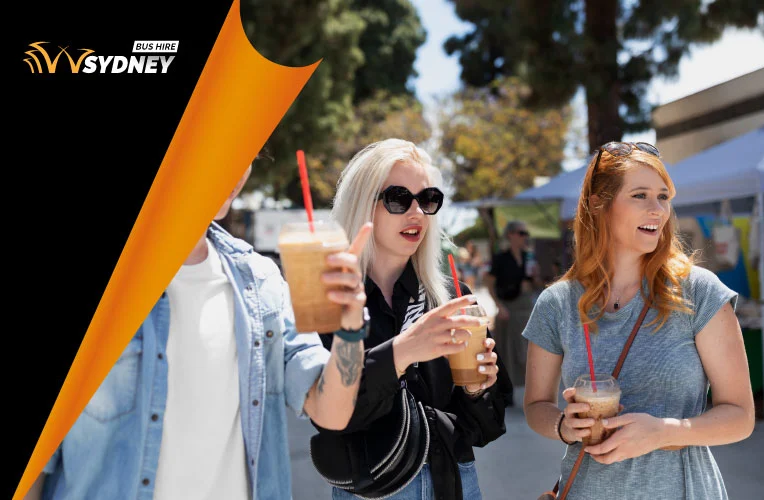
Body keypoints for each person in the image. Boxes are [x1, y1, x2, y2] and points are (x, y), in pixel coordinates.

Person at [26, 161, 372, 500]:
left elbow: (332, 412)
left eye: (247, 154)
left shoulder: (261, 280)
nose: (236, 170)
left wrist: (350, 327)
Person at [523, 142, 755, 499]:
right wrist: (564, 427)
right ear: (599, 205)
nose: (658, 210)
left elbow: (740, 416)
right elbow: (537, 406)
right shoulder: (558, 303)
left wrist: (663, 431)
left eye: (663, 196)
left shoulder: (699, 292)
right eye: (640, 195)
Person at [317, 138, 512, 499]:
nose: (417, 213)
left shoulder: (452, 296)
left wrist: (477, 388)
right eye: (398, 198)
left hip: (453, 482)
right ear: (364, 206)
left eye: (427, 199)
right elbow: (330, 415)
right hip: (372, 489)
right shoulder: (331, 299)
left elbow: (484, 429)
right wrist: (403, 352)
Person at [485, 221, 541, 392]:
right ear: (510, 235)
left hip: (525, 308)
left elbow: (537, 285)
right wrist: (499, 305)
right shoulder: (501, 258)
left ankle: (530, 388)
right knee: (507, 352)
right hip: (508, 309)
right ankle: (506, 390)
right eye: (520, 233)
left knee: (527, 351)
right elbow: (489, 283)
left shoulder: (528, 257)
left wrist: (536, 275)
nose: (524, 237)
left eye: (526, 233)